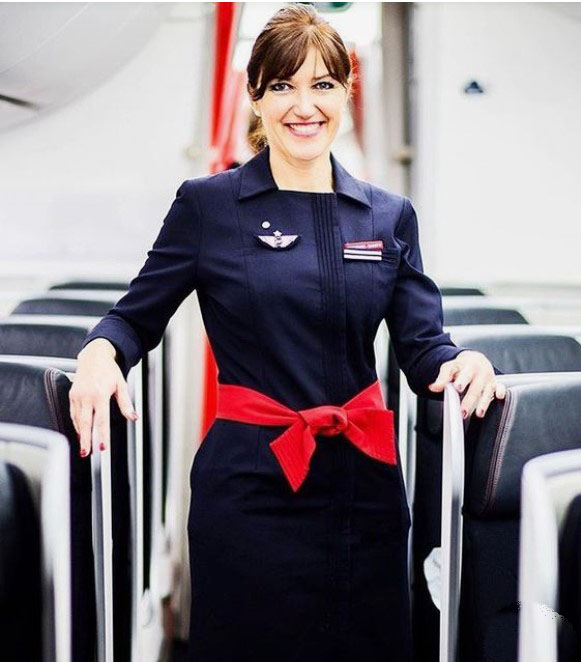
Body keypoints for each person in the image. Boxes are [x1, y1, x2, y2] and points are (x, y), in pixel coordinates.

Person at [69, 4, 505, 660]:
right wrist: (100, 354)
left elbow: (423, 349)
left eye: (322, 85)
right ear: (255, 96)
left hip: (364, 487)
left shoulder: (387, 217)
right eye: (282, 86)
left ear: (346, 93)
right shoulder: (208, 206)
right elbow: (133, 317)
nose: (304, 105)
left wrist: (461, 362)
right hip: (248, 486)